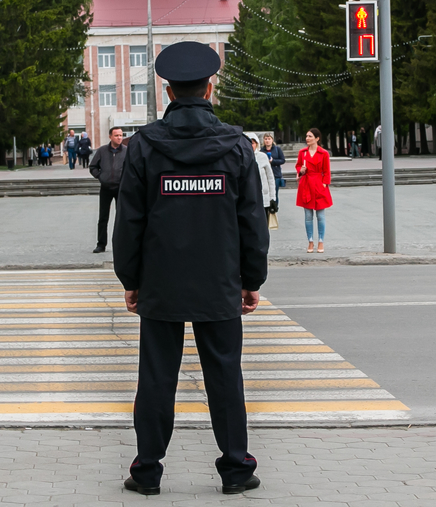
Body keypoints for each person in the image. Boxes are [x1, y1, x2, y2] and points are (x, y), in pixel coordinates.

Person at [113, 41, 268, 496]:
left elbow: (130, 223)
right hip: (220, 281)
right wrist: (251, 280)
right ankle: (236, 469)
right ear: (210, 88)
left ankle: (147, 472)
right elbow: (252, 222)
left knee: (157, 377)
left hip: (161, 283)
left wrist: (132, 280)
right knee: (224, 375)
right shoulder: (236, 148)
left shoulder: (144, 149)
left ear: (168, 91)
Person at [295, 128, 332, 254]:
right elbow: (298, 166)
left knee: (320, 216)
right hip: (306, 184)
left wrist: (324, 184)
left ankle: (321, 241)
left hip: (319, 185)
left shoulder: (323, 153)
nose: (307, 138)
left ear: (317, 138)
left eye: (310, 136)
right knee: (308, 216)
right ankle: (310, 241)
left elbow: (327, 171)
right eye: (306, 136)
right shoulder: (302, 152)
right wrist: (301, 170)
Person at [89, 127, 125, 253]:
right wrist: (100, 176)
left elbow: (132, 168)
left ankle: (122, 244)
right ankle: (101, 244)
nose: (119, 138)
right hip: (106, 188)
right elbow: (93, 166)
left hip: (120, 188)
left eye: (121, 135)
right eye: (116, 135)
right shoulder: (102, 151)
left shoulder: (127, 151)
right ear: (110, 136)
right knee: (103, 217)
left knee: (122, 217)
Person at [247, 133, 277, 221]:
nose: (251, 145)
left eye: (252, 143)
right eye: (248, 143)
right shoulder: (241, 157)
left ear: (256, 144)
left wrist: (272, 198)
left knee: (263, 226)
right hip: (248, 199)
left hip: (264, 198)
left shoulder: (262, 157)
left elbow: (270, 178)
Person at [262, 133, 285, 205]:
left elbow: (282, 160)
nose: (267, 141)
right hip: (264, 175)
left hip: (275, 174)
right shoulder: (261, 150)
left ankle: (274, 208)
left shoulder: (277, 149)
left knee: (274, 193)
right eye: (266, 139)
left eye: (269, 139)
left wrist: (273, 161)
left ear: (272, 140)